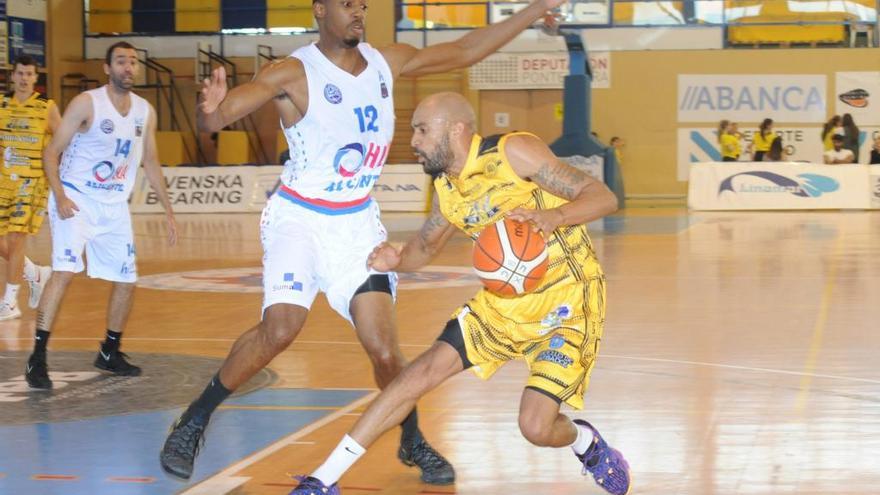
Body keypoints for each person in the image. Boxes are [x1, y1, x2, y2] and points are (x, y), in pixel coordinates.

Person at [159, 0, 569, 484]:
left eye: (362, 4)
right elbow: (219, 118)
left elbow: (464, 50)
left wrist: (533, 10)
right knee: (281, 329)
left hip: (355, 222)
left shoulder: (385, 62)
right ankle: (196, 418)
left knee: (385, 350)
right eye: (347, 4)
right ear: (319, 11)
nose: (358, 11)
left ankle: (412, 441)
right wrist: (209, 112)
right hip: (299, 220)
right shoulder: (292, 72)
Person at [288, 92, 627, 495]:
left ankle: (584, 443)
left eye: (421, 129)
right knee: (412, 377)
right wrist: (395, 259)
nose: (413, 140)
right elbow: (424, 249)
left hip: (567, 304)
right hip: (501, 308)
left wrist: (553, 216)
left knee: (535, 427)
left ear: (456, 129)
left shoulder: (513, 152)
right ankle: (322, 480)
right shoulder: (449, 191)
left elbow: (604, 197)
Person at [23, 41, 177, 389]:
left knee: (126, 279)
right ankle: (37, 357)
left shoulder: (144, 111)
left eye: (133, 62)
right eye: (121, 61)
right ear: (107, 68)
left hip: (114, 207)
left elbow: (150, 161)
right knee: (64, 273)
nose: (128, 67)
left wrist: (168, 209)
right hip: (75, 200)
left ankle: (109, 351)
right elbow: (51, 153)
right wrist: (60, 195)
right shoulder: (86, 104)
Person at [0, 56, 60, 320]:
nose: (24, 78)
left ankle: (10, 302)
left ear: (36, 78)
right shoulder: (2, 105)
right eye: (20, 73)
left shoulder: (46, 108)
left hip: (32, 183)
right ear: (12, 76)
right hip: (4, 183)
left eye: (29, 74)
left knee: (15, 238)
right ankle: (35, 273)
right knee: (9, 246)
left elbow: (64, 141)